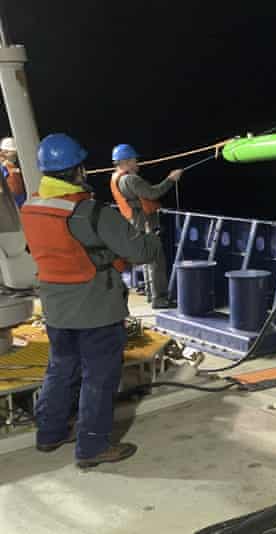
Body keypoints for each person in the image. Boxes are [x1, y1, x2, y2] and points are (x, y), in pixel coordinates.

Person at [20, 133, 166, 468]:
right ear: (78, 170)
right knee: (99, 377)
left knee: (60, 369)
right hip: (96, 308)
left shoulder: (30, 206)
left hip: (56, 308)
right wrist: (152, 239)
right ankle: (92, 447)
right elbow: (141, 252)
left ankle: (50, 433)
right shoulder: (91, 213)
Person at [109, 143, 182, 308]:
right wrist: (171, 179)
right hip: (145, 225)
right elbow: (153, 193)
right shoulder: (131, 179)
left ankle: (151, 295)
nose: (137, 163)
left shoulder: (117, 178)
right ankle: (159, 299)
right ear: (126, 161)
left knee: (149, 261)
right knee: (157, 261)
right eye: (135, 160)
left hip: (133, 224)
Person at [0, 137, 26, 207]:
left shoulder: (14, 166)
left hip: (19, 200)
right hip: (12, 202)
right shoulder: (4, 167)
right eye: (14, 152)